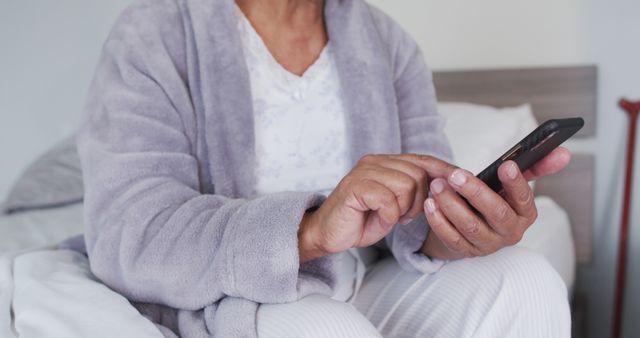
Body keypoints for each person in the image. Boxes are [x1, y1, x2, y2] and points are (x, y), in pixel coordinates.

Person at [76, 0, 572, 336]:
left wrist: (465, 226)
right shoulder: (156, 34)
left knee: (527, 279)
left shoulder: (387, 42)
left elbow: (421, 223)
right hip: (235, 298)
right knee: (329, 331)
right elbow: (132, 234)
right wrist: (311, 229)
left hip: (370, 280)